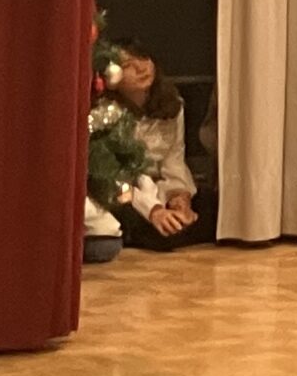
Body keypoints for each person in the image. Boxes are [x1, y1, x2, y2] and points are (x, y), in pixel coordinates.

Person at [89, 42, 215, 252]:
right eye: (128, 65)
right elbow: (116, 177)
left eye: (143, 58)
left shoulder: (172, 104)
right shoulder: (106, 115)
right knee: (155, 232)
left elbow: (174, 159)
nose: (141, 67)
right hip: (126, 195)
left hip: (160, 188)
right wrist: (153, 209)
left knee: (215, 209)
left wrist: (179, 197)